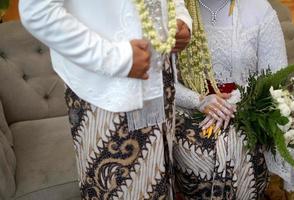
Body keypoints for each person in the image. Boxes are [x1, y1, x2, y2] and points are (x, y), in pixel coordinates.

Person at [19, 0, 192, 199]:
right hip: (108, 95)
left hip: (161, 82)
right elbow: (37, 12)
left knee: (163, 182)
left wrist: (181, 18)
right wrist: (117, 59)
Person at [174, 0, 294, 199]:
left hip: (246, 108)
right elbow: (162, 83)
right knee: (201, 153)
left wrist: (234, 101)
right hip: (189, 109)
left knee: (234, 144)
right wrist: (199, 100)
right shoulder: (177, 14)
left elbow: (275, 76)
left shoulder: (259, 10)